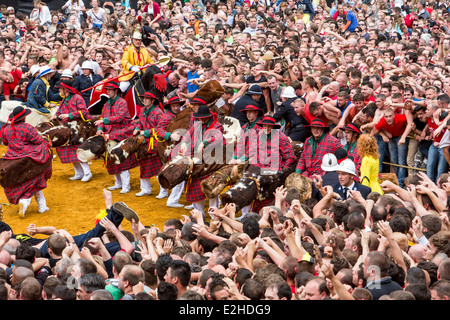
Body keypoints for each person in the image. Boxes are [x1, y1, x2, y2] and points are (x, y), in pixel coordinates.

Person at [0, 106, 52, 217]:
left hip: (12, 158)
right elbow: (38, 141)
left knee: (33, 181)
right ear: (24, 117)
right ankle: (25, 201)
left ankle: (42, 206)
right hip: (29, 158)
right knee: (45, 148)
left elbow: (4, 142)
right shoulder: (28, 127)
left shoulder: (6, 129)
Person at [179, 105, 225, 214]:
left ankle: (214, 216)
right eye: (200, 117)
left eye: (205, 117)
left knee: (212, 189)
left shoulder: (217, 126)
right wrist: (184, 143)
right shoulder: (196, 125)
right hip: (197, 161)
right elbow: (186, 135)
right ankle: (200, 215)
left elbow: (218, 138)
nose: (202, 119)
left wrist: (205, 142)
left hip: (212, 163)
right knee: (194, 187)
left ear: (209, 116)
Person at [94, 81, 138, 194]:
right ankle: (118, 183)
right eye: (107, 89)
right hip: (110, 135)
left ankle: (126, 186)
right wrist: (99, 129)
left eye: (110, 90)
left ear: (116, 91)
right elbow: (102, 118)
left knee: (122, 161)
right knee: (112, 160)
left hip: (122, 133)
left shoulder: (122, 102)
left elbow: (119, 117)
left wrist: (103, 121)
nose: (108, 91)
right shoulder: (106, 104)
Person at [53, 80, 93, 182]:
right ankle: (79, 173)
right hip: (68, 129)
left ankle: (87, 172)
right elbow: (59, 112)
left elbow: (84, 111)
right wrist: (56, 115)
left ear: (65, 90)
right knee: (70, 150)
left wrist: (69, 115)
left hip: (78, 129)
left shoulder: (77, 98)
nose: (59, 91)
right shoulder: (64, 100)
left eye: (60, 89)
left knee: (78, 150)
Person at [133, 91, 165, 197]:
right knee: (143, 164)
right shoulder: (142, 110)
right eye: (144, 98)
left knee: (158, 167)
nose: (144, 100)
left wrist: (146, 132)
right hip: (143, 141)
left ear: (152, 101)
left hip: (155, 141)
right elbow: (141, 124)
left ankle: (163, 190)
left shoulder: (158, 111)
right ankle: (145, 188)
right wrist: (137, 129)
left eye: (147, 98)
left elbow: (161, 128)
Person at [156, 96, 185, 207]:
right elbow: (159, 130)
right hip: (167, 147)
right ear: (170, 106)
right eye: (174, 106)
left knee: (177, 170)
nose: (176, 108)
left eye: (178, 105)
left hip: (180, 146)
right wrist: (170, 135)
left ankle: (172, 196)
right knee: (166, 169)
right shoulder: (166, 116)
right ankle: (164, 192)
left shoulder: (183, 115)